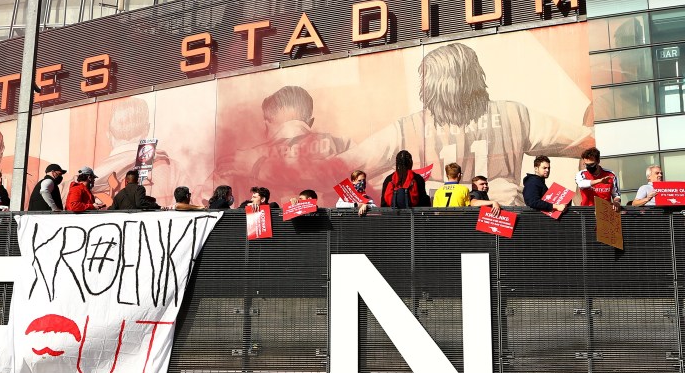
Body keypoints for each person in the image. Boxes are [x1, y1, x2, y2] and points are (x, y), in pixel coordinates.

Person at [339, 42, 594, 205]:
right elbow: (588, 142)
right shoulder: (514, 115)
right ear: (475, 76)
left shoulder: (408, 129)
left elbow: (339, 169)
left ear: (431, 86)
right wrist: (584, 197)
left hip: (437, 231)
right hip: (504, 223)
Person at [217, 85, 351, 206]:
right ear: (310, 122)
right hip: (326, 227)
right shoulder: (342, 145)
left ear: (267, 124)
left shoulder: (240, 160)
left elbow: (207, 199)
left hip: (265, 229)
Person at [433, 163, 501, 215]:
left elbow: (436, 211)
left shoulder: (438, 191)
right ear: (459, 175)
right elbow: (468, 206)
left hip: (443, 223)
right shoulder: (464, 189)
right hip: (458, 222)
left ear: (447, 175)